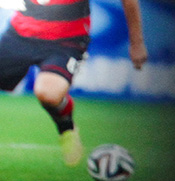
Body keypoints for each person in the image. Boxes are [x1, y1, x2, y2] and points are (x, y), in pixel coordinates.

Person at [0, 0, 147, 166]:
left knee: (48, 94)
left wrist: (137, 43)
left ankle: (66, 128)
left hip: (66, 41)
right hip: (19, 35)